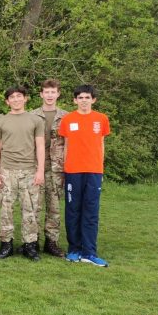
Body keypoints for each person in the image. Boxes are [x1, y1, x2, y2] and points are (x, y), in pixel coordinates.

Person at [0, 86, 45, 260]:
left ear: (25, 98)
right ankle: (6, 243)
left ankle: (30, 245)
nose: (16, 99)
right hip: (6, 171)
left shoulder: (36, 120)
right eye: (12, 97)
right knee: (5, 209)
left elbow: (40, 146)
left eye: (19, 96)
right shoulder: (0, 122)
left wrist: (40, 171)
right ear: (7, 101)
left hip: (29, 171)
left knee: (30, 209)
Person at [59, 85, 110, 267]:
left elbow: (101, 145)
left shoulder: (101, 119)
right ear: (75, 100)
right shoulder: (67, 119)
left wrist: (100, 169)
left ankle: (89, 252)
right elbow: (66, 146)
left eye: (87, 97)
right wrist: (65, 170)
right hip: (73, 171)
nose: (84, 100)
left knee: (91, 211)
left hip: (94, 171)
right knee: (73, 211)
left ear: (93, 100)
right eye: (80, 97)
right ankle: (74, 250)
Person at [30, 79, 68, 257]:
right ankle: (33, 241)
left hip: (57, 168)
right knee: (34, 205)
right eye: (47, 92)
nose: (50, 95)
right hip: (36, 166)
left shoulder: (66, 117)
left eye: (53, 92)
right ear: (41, 94)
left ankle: (51, 242)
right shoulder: (32, 116)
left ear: (58, 94)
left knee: (54, 207)